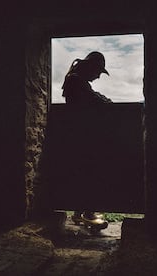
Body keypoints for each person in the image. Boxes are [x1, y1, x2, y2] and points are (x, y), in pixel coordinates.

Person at [61, 51, 112, 231]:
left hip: (78, 135)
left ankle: (79, 212)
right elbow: (96, 100)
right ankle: (87, 213)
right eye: (98, 71)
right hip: (81, 136)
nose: (98, 76)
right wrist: (106, 101)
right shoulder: (76, 81)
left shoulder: (76, 81)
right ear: (91, 68)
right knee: (89, 171)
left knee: (84, 171)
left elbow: (93, 96)